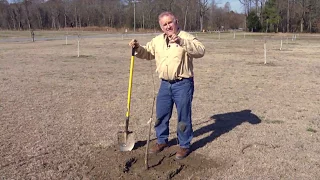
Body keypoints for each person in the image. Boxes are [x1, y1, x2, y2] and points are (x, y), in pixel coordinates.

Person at [128, 11, 205, 159]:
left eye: (170, 22)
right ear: (161, 26)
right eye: (165, 24)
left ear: (176, 21)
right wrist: (137, 48)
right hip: (165, 84)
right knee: (161, 115)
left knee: (183, 116)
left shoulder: (186, 37)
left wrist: (181, 42)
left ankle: (184, 145)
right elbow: (147, 53)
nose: (168, 26)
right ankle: (162, 141)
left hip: (183, 83)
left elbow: (201, 51)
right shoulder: (157, 41)